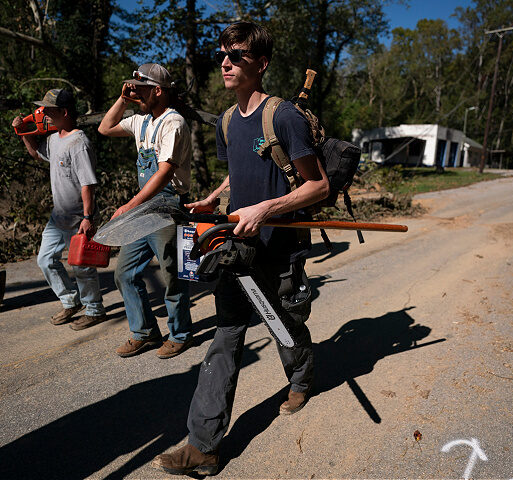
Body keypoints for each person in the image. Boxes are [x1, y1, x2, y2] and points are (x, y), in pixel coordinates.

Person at [151, 22, 330, 476]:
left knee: (284, 324)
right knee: (226, 337)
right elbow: (241, 173)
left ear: (261, 64)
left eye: (238, 55)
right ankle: (203, 447)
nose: (226, 62)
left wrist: (269, 207)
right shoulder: (228, 121)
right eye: (223, 54)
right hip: (237, 247)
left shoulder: (283, 116)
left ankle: (301, 378)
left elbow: (318, 185)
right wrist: (215, 197)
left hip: (278, 247)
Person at [98, 63, 193, 359]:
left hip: (167, 206)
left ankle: (180, 334)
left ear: (158, 91)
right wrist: (123, 100)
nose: (135, 93)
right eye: (133, 89)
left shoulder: (173, 123)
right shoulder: (139, 120)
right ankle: (145, 332)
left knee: (171, 275)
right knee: (125, 273)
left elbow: (165, 172)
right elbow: (105, 128)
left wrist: (129, 206)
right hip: (144, 207)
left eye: (139, 90)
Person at [12, 89, 107, 330]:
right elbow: (35, 153)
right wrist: (23, 132)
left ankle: (94, 309)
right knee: (45, 259)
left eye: (49, 110)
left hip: (79, 217)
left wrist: (87, 217)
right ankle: (70, 301)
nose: (43, 114)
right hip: (59, 216)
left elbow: (87, 183)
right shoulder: (54, 139)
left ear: (64, 112)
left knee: (82, 267)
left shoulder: (79, 143)